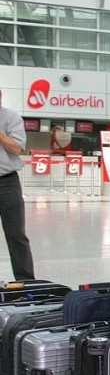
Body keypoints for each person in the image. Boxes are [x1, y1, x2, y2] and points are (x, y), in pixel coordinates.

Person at [0, 88, 34, 280]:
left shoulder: (11, 118)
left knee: (16, 235)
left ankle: (27, 282)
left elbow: (17, 148)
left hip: (6, 182)